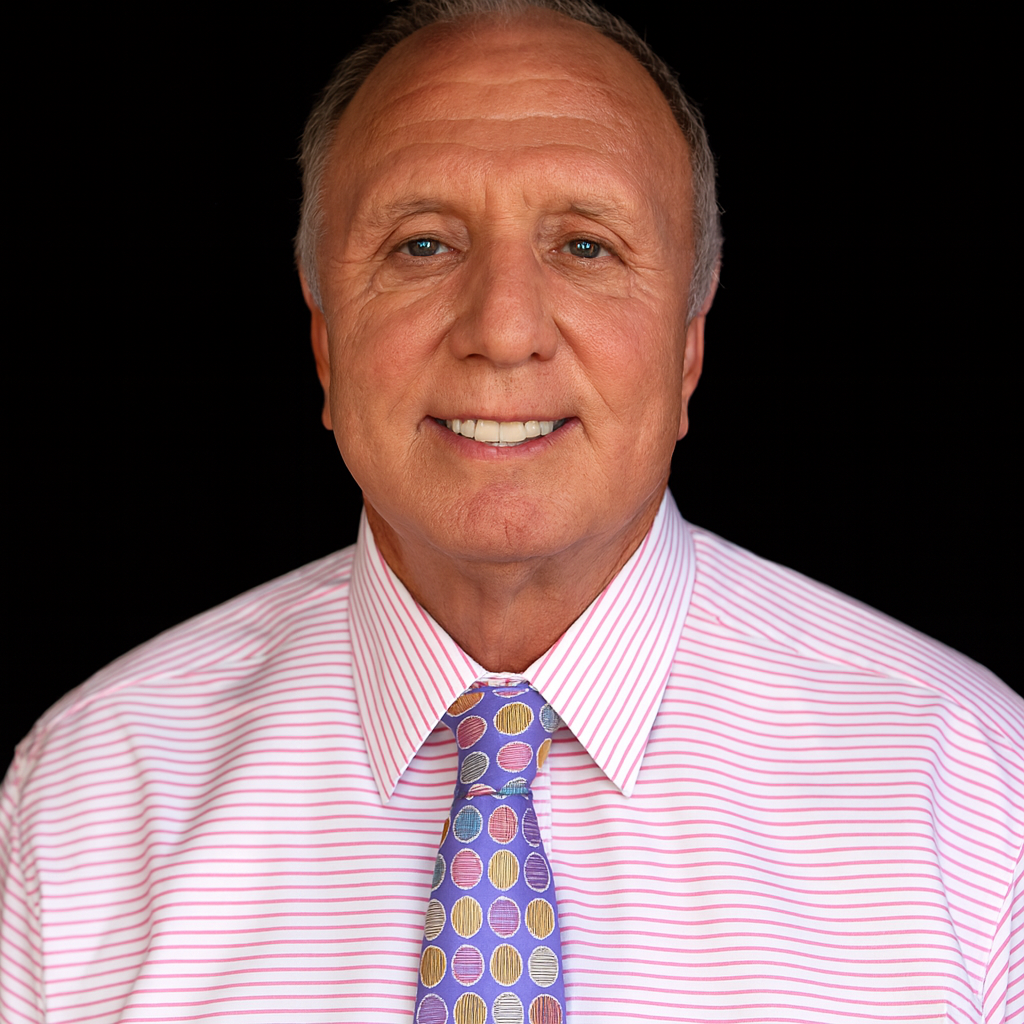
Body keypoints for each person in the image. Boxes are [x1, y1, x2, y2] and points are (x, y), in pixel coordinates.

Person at [2, 2, 1020, 1022]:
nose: (502, 327)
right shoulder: (88, 793)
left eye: (584, 247)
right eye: (423, 245)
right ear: (323, 342)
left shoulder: (978, 790)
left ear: (688, 347)